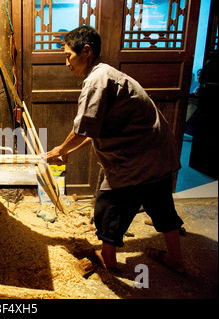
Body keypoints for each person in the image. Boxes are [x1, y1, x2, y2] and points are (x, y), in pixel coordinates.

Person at [43, 26, 186, 273]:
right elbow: (96, 127)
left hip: (138, 156)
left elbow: (83, 128)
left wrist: (59, 149)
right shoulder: (106, 74)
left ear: (86, 51)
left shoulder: (96, 81)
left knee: (108, 203)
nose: (66, 62)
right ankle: (176, 260)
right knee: (161, 205)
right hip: (157, 153)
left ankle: (108, 258)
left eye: (68, 55)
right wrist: (68, 150)